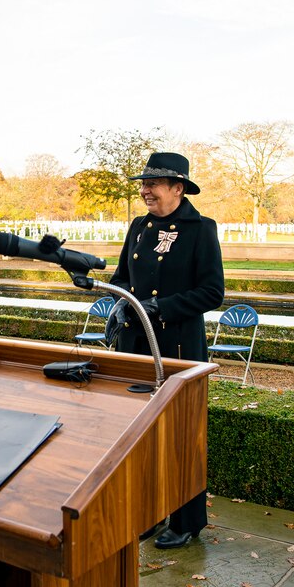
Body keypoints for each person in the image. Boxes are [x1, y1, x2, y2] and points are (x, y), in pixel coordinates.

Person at [107, 151, 225, 549]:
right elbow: (123, 276)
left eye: (153, 184)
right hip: (137, 344)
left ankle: (187, 519)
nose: (145, 191)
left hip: (177, 346)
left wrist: (163, 307)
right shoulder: (138, 227)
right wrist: (119, 303)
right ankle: (152, 511)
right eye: (143, 184)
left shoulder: (200, 229)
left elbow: (213, 291)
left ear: (178, 188)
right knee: (140, 434)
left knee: (180, 435)